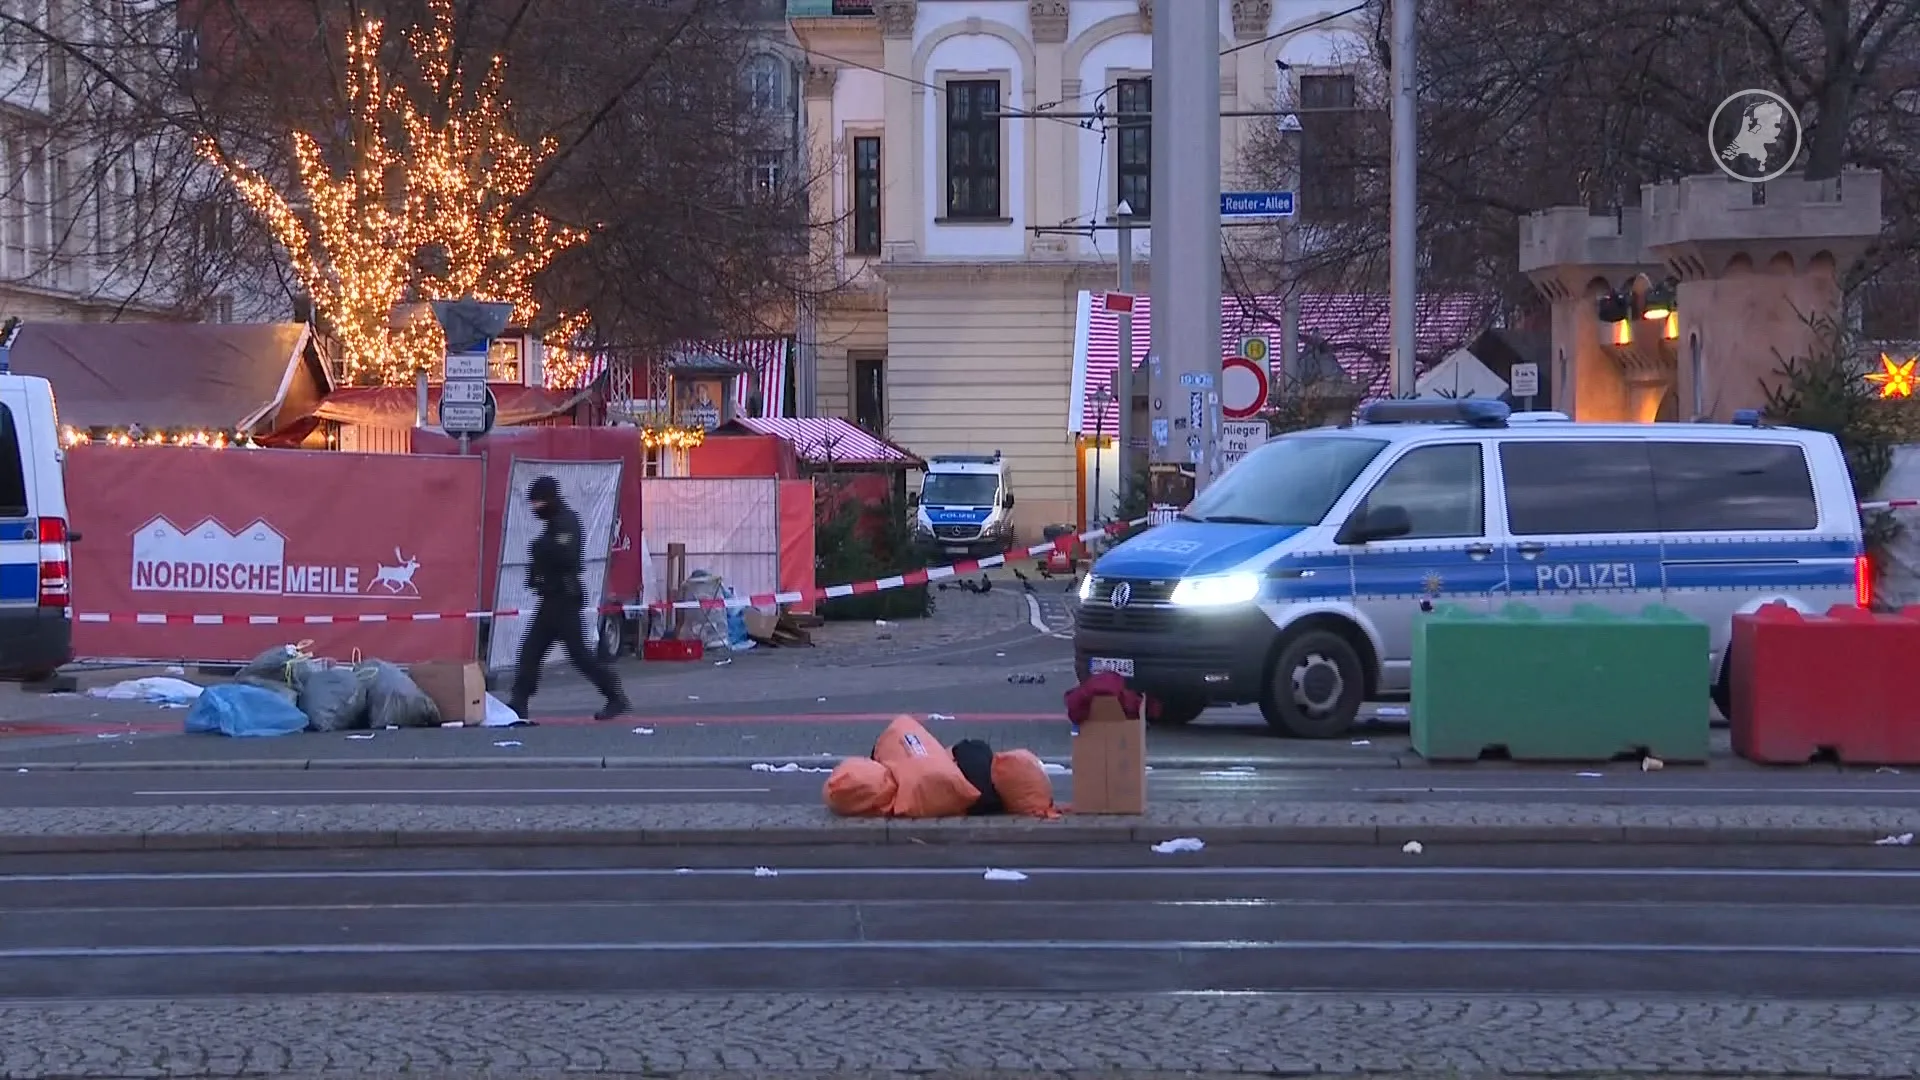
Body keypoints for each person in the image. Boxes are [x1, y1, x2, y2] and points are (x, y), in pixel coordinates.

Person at [506, 475, 631, 720]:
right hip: (551, 599)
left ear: (550, 499)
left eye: (538, 502)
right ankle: (519, 702)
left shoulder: (566, 523)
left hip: (564, 600)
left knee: (580, 655)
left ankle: (615, 696)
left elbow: (565, 555)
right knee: (531, 651)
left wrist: (540, 549)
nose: (535, 509)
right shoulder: (555, 523)